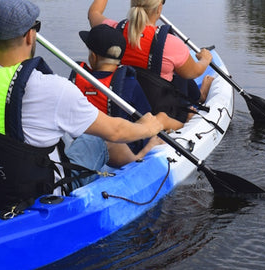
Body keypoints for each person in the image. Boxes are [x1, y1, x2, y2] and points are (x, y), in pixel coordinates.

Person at [0, 0, 163, 210]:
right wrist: (148, 127)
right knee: (98, 138)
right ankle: (138, 160)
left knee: (65, 134)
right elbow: (116, 131)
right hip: (42, 191)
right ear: (29, 36)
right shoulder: (53, 88)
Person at [88, 0, 214, 123]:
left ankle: (198, 96)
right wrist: (205, 60)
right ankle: (193, 104)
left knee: (178, 68)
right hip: (160, 112)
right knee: (180, 72)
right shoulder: (172, 44)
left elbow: (93, 13)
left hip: (125, 104)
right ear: (159, 8)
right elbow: (193, 72)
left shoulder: (113, 30)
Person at [74, 24, 183, 167]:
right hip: (122, 145)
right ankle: (185, 126)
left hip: (84, 140)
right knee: (160, 117)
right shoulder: (128, 83)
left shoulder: (76, 80)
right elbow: (146, 116)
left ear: (93, 57)